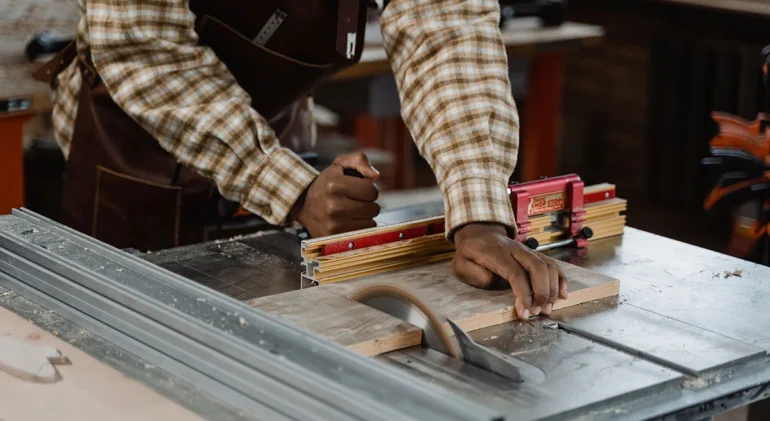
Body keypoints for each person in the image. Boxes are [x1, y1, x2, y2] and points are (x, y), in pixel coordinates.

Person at [39, 0, 568, 320]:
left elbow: (446, 32)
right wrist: (289, 186)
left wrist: (476, 212)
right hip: (132, 147)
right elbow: (143, 46)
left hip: (269, 124)